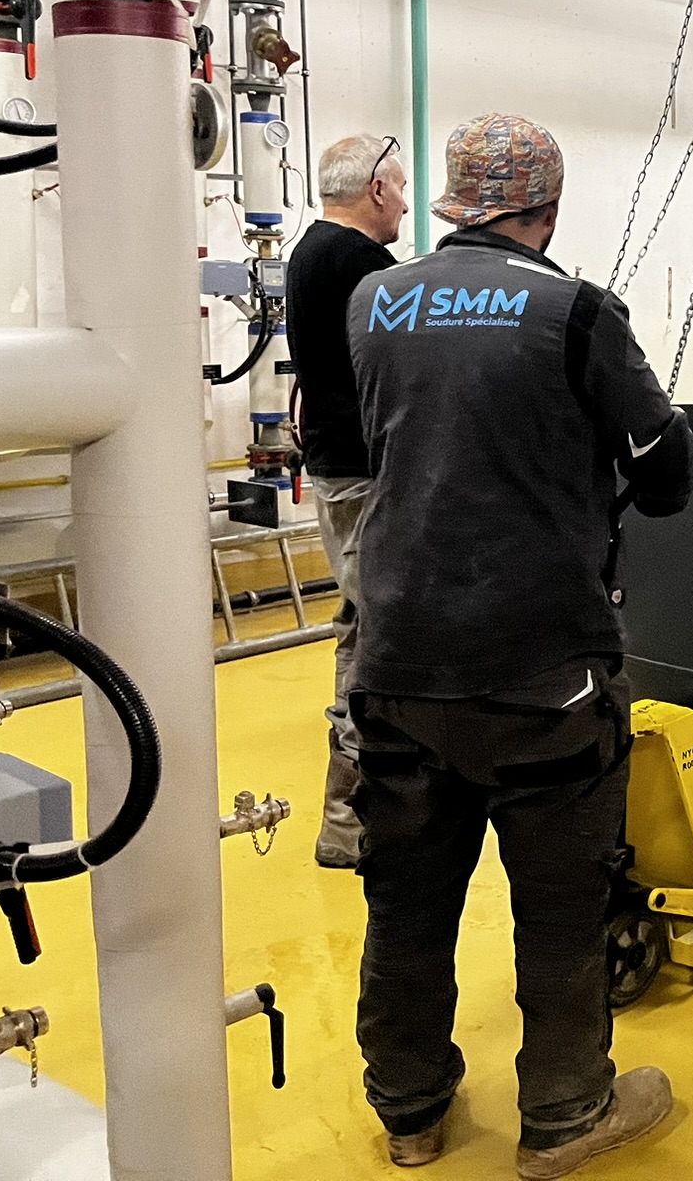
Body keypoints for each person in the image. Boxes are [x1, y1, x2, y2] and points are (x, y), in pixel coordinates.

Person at [346, 113, 693, 1177]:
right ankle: (565, 1113)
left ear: (454, 204)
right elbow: (665, 475)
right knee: (557, 901)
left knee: (405, 900)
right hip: (539, 667)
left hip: (396, 657)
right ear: (545, 209)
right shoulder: (576, 311)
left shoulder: (375, 301)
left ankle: (409, 1109)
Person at [286, 134, 408, 869]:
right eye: (400, 189)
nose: (403, 205)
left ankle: (350, 821)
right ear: (375, 190)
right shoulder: (362, 265)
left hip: (338, 468)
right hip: (365, 474)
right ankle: (351, 822)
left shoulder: (310, 252)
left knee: (362, 625)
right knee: (383, 637)